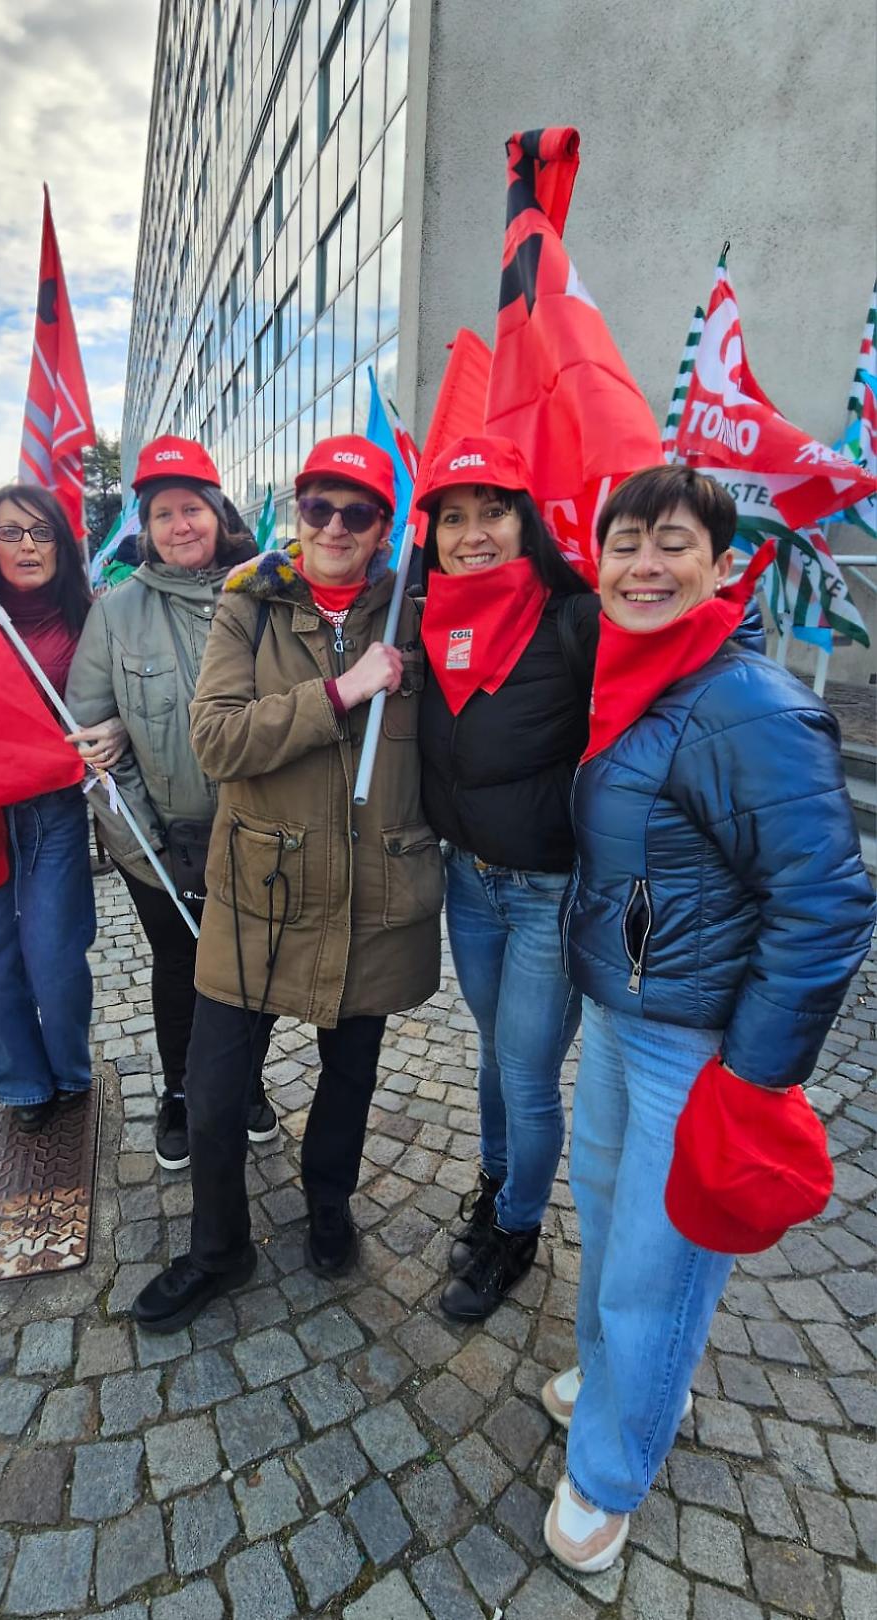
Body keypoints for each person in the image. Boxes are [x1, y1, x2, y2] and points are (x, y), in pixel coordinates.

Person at [540, 464, 875, 1573]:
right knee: (608, 1224)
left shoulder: (746, 703)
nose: (644, 564)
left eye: (671, 543)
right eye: (624, 541)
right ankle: (618, 1386)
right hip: (627, 1013)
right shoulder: (637, 678)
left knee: (658, 1263)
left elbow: (825, 902)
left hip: (699, 1043)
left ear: (722, 564)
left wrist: (755, 1074)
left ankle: (612, 1468)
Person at [132, 435, 444, 1332]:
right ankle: (218, 1247)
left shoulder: (414, 610)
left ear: (387, 527)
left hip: (375, 884)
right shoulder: (251, 606)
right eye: (320, 507)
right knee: (218, 1082)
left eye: (359, 512)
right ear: (293, 512)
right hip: (258, 888)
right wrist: (344, 691)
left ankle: (329, 1206)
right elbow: (219, 740)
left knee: (351, 1073)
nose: (336, 527)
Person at [414, 435, 598, 1321]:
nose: (474, 533)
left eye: (494, 512)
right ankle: (496, 1183)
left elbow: (674, 666)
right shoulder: (419, 617)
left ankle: (517, 1225)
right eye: (454, 517)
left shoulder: (573, 617)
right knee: (493, 1052)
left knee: (526, 1072)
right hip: (468, 883)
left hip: (545, 894)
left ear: (527, 521)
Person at [66, 436, 275, 1171]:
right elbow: (92, 742)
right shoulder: (116, 613)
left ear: (219, 514)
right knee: (181, 967)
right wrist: (144, 846)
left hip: (257, 833)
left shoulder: (267, 594)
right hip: (159, 842)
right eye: (162, 514)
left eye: (192, 509)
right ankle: (183, 1092)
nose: (179, 525)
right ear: (144, 528)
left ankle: (246, 1083)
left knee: (255, 966)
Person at [0, 485, 122, 1130]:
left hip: (53, 807)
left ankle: (71, 1069)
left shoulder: (90, 616)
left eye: (41, 531)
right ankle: (21, 1084)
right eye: (11, 532)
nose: (27, 544)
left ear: (62, 544)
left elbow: (117, 700)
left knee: (54, 952)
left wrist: (117, 733)